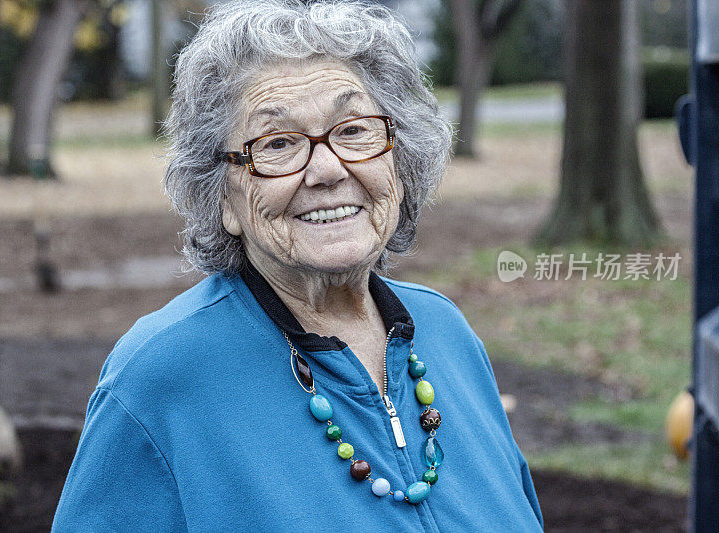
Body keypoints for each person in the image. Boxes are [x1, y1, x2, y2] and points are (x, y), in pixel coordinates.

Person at [52, 1, 544, 531]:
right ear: (223, 199)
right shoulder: (161, 376)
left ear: (399, 163)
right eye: (278, 143)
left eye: (354, 130)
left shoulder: (445, 332)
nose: (328, 169)